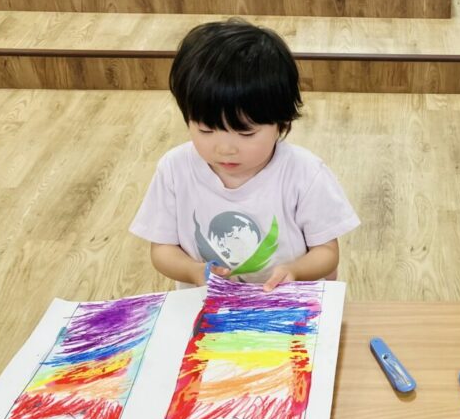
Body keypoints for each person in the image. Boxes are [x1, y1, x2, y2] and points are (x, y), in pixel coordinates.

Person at [131, 19, 359, 291]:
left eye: (246, 133)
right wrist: (194, 271)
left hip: (288, 303)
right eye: (206, 130)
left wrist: (295, 270)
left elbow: (327, 252)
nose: (225, 148)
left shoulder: (305, 174)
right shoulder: (174, 170)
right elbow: (162, 249)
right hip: (210, 305)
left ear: (281, 123)